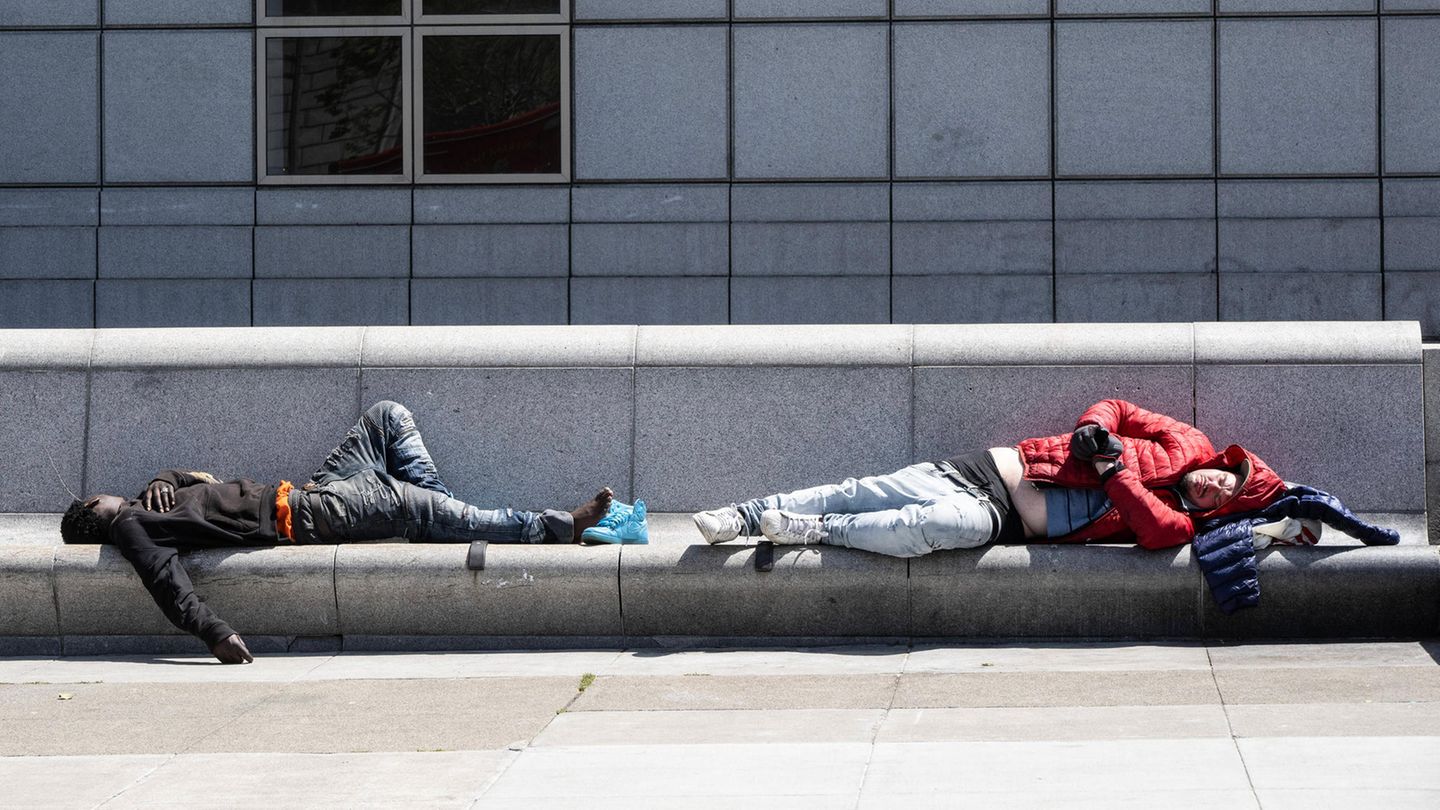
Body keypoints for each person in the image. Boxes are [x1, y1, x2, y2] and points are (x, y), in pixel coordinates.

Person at [61, 401, 614, 664]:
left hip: (312, 491)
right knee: (450, 518)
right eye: (102, 494)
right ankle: (560, 525)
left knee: (386, 417)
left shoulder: (149, 501)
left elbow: (190, 476)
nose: (117, 492)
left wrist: (162, 476)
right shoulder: (134, 528)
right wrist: (214, 634)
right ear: (95, 509)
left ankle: (438, 509)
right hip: (314, 516)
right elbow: (166, 584)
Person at [692, 399, 1292, 556]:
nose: (1216, 484)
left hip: (1007, 521)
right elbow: (1116, 407)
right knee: (865, 489)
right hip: (989, 467)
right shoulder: (1188, 441)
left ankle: (810, 532)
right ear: (1223, 460)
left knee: (929, 526)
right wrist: (1092, 427)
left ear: (1221, 507)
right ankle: (742, 516)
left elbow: (1152, 528)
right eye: (1225, 475)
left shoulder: (1182, 523)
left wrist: (1114, 473)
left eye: (1227, 493)